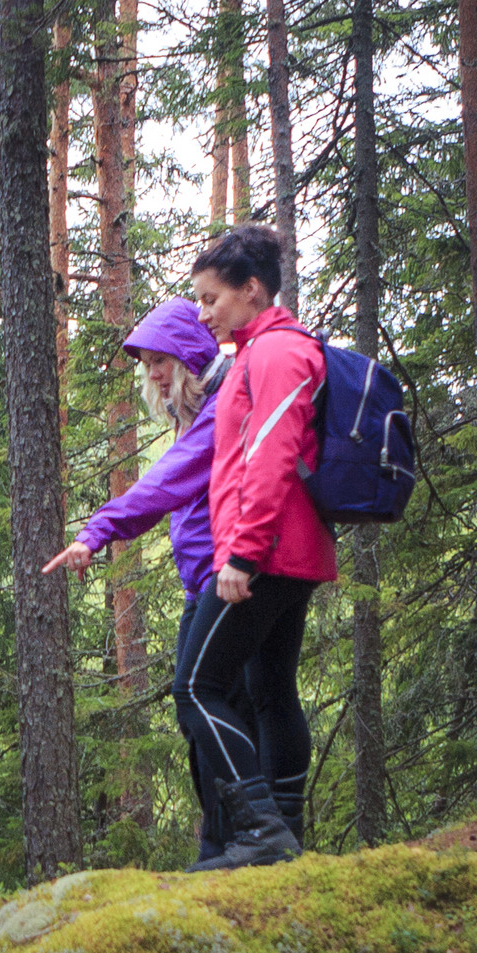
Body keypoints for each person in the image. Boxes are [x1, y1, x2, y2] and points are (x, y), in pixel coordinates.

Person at [41, 299, 233, 862]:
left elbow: (161, 487)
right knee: (217, 708)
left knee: (198, 698)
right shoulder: (193, 419)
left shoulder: (217, 414)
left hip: (228, 579)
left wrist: (96, 531)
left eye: (161, 360)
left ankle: (244, 838)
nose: (152, 372)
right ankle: (228, 844)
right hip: (206, 582)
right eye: (147, 362)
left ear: (190, 357)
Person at [184, 223, 331, 871]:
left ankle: (261, 830)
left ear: (251, 290)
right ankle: (284, 836)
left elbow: (270, 459)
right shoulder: (260, 352)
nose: (203, 311)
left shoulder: (274, 355)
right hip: (287, 551)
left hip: (265, 552)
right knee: (271, 691)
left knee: (196, 686)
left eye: (212, 297)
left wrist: (240, 554)